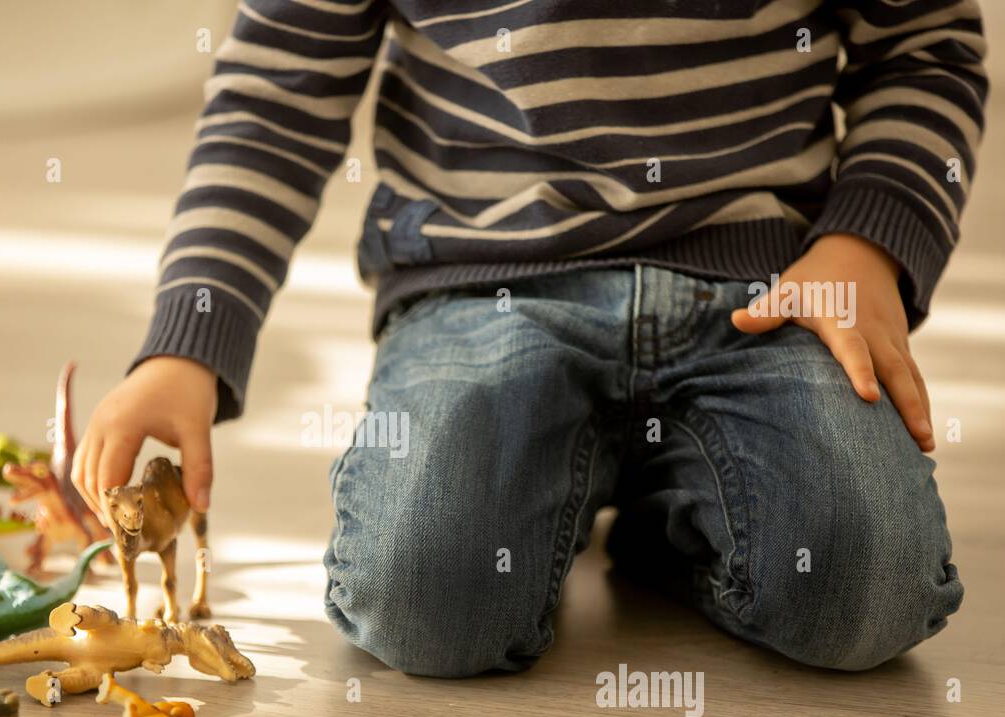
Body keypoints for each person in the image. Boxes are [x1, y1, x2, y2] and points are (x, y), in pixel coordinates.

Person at [73, 1, 984, 676]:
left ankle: (660, 519)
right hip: (484, 281)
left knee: (868, 588)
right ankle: (589, 483)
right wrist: (189, 339)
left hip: (765, 286)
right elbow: (277, 95)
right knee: (427, 603)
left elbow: (925, 49)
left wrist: (865, 243)